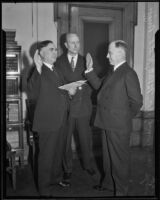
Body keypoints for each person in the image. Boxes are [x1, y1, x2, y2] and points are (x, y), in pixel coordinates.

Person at [85, 40, 143, 196]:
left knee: (119, 161)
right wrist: (89, 71)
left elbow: (137, 101)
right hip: (106, 122)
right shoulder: (113, 71)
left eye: (109, 52)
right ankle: (109, 185)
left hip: (118, 125)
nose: (106, 55)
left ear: (119, 54)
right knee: (108, 159)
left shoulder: (128, 73)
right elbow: (99, 87)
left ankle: (121, 191)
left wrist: (124, 118)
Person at [27, 40, 73, 196]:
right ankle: (44, 189)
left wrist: (69, 92)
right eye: (51, 49)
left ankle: (55, 178)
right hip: (48, 122)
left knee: (58, 153)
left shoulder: (56, 70)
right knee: (46, 157)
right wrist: (38, 68)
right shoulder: (38, 72)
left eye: (55, 49)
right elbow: (32, 93)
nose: (55, 52)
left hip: (61, 119)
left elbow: (59, 91)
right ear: (41, 54)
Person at [56, 33, 96, 185]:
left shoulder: (87, 60)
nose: (75, 45)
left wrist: (80, 90)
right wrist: (67, 92)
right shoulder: (58, 62)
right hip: (66, 109)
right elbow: (55, 85)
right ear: (65, 45)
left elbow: (94, 83)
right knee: (65, 142)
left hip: (83, 107)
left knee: (86, 139)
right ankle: (67, 170)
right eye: (72, 43)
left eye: (77, 42)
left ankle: (88, 164)